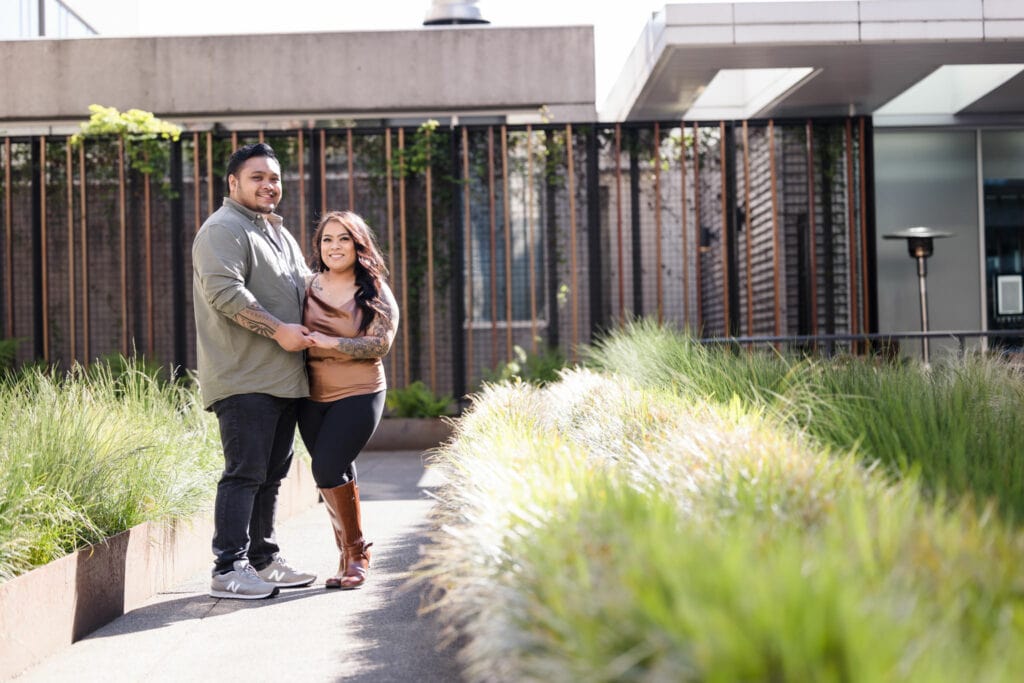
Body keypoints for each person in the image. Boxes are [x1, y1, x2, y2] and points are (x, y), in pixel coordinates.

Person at [192, 142, 317, 600]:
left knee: (271, 474)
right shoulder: (223, 229)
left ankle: (263, 560)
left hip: (285, 377)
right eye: (257, 177)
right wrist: (279, 329)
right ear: (233, 182)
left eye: (275, 178)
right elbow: (225, 294)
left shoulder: (278, 233)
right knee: (244, 472)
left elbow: (306, 286)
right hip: (244, 378)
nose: (269, 185)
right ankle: (228, 568)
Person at [298, 210, 399, 589]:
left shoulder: (373, 290)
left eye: (343, 239)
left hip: (360, 390)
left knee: (326, 467)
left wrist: (330, 342)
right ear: (318, 247)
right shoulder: (306, 287)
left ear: (358, 245)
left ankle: (358, 554)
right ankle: (346, 556)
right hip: (311, 394)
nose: (334, 246)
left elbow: (380, 344)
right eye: (327, 239)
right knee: (336, 471)